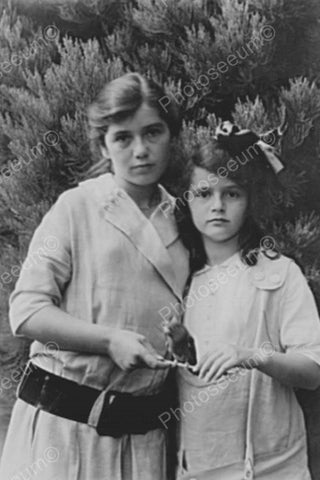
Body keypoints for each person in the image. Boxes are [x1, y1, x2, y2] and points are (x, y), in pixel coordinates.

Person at [0, 72, 189, 480]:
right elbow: (27, 312)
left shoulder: (186, 222)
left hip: (142, 444)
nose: (141, 150)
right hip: (62, 434)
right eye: (123, 138)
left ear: (170, 136)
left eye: (153, 132)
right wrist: (109, 340)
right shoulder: (78, 207)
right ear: (103, 143)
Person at [174, 122, 320, 479]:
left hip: (274, 465)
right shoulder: (176, 278)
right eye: (204, 193)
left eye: (233, 194)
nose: (218, 206)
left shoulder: (279, 273)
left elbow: (313, 371)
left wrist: (251, 355)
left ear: (250, 199)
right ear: (187, 199)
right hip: (201, 462)